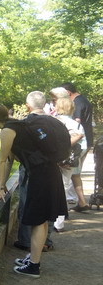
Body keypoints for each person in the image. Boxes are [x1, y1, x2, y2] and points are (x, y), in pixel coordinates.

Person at [0, 92, 68, 278]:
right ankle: (33, 257)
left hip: (42, 175)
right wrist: (2, 185)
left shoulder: (8, 130)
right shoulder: (17, 124)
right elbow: (10, 160)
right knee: (42, 220)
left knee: (38, 221)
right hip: (47, 172)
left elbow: (1, 160)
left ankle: (33, 266)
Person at [53, 96, 86, 231]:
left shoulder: (52, 122)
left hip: (52, 159)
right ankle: (59, 222)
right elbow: (82, 146)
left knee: (50, 187)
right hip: (68, 161)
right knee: (64, 188)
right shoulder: (77, 125)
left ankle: (48, 217)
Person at [61, 82, 94, 189]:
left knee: (73, 171)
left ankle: (73, 198)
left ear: (68, 92)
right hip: (87, 138)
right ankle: (77, 199)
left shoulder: (77, 102)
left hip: (80, 142)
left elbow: (77, 120)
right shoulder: (83, 99)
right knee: (76, 171)